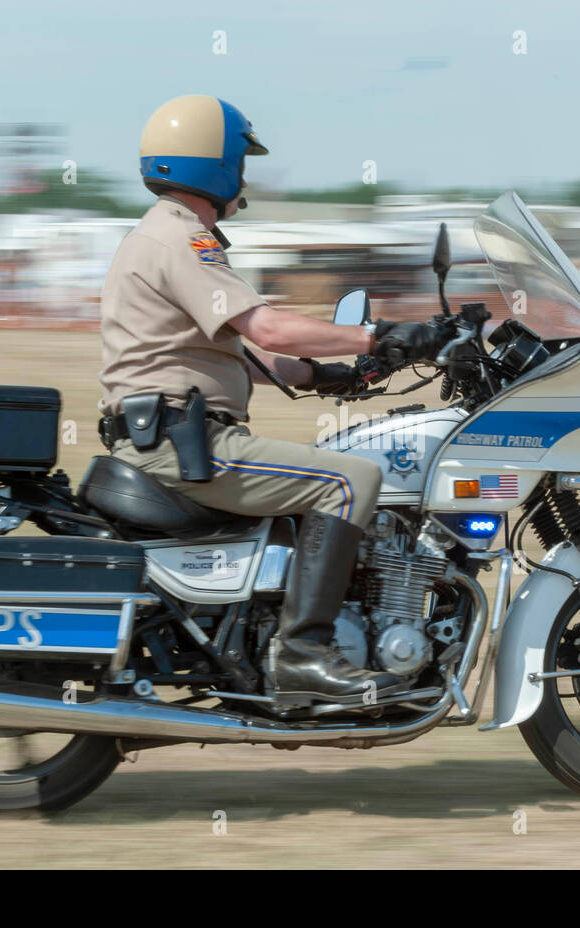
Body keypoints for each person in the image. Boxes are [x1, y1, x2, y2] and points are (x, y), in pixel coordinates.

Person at [98, 94, 443, 706]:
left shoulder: (164, 237)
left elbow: (258, 358)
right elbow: (268, 329)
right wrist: (384, 333)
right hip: (186, 443)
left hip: (175, 434)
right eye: (240, 163)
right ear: (216, 165)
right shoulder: (181, 238)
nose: (245, 180)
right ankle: (305, 654)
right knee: (351, 481)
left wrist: (336, 376)